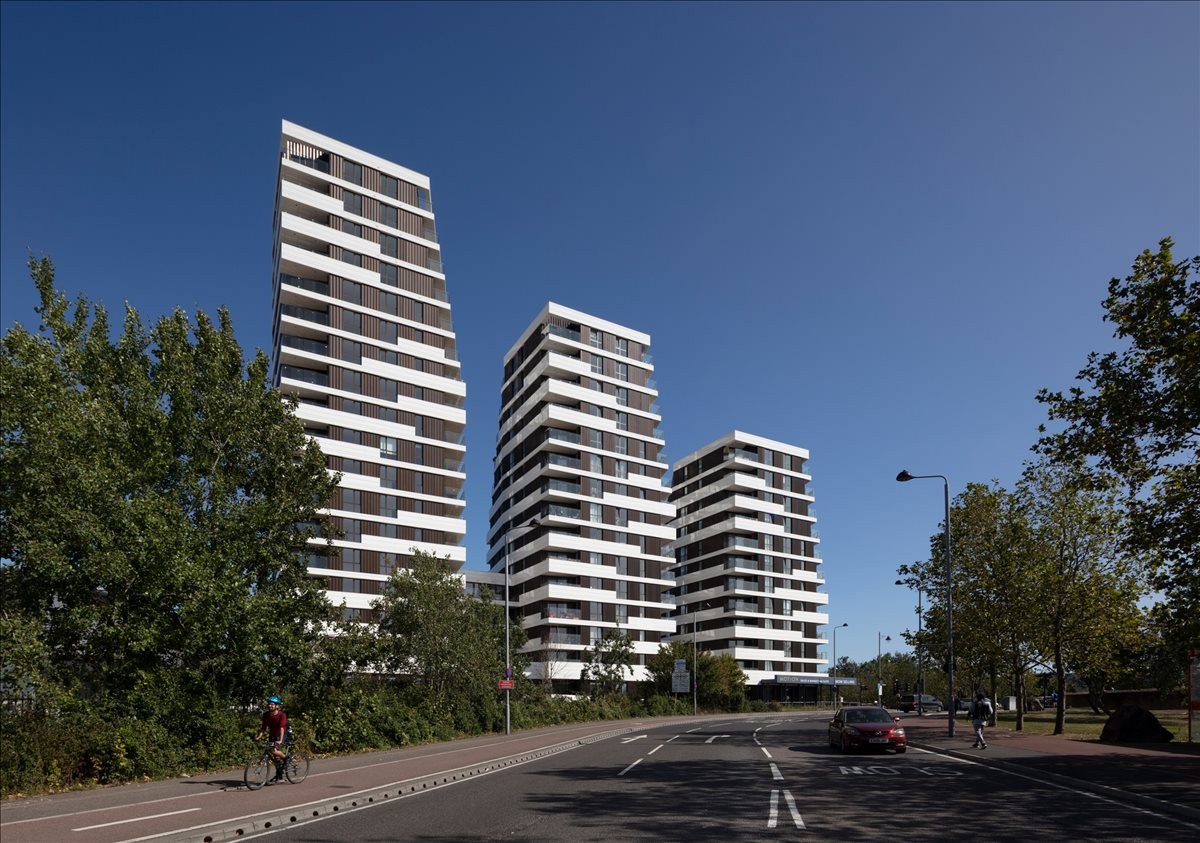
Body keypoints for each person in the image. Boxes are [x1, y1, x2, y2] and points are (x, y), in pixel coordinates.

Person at [254, 695, 289, 783]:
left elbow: (281, 728)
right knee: (275, 757)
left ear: (276, 706)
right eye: (269, 704)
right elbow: (263, 728)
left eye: (272, 704)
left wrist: (280, 740)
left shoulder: (281, 715)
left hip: (282, 733)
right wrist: (259, 737)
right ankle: (279, 775)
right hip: (272, 734)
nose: (270, 706)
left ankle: (286, 758)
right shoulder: (266, 715)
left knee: (274, 750)